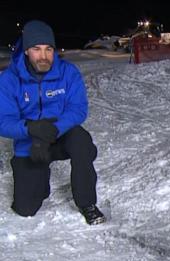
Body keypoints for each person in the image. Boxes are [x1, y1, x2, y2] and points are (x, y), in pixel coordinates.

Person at [0, 20, 106, 225]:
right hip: (30, 145)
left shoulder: (68, 72)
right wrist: (30, 130)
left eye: (49, 49)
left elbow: (78, 109)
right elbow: (3, 121)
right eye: (36, 49)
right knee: (25, 209)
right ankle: (39, 181)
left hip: (59, 137)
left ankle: (87, 203)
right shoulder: (9, 80)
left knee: (81, 141)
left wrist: (52, 130)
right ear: (26, 51)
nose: (44, 56)